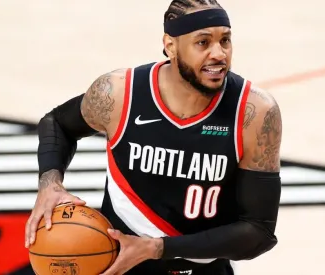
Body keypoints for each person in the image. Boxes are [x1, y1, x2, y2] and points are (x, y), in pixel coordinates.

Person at [25, 0, 283, 274]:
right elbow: (57, 123)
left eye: (225, 40)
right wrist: (50, 184)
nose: (219, 54)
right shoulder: (120, 94)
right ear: (171, 45)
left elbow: (259, 232)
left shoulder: (254, 112)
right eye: (203, 42)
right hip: (121, 266)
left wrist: (158, 248)